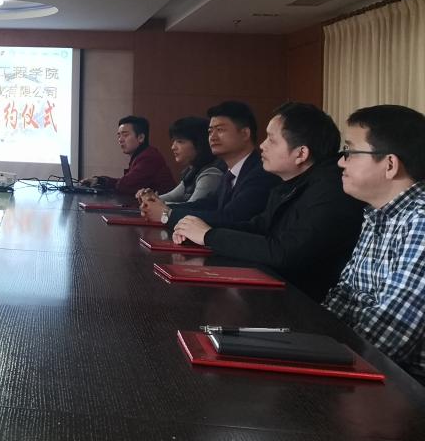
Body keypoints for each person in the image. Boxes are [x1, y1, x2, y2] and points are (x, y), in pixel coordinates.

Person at [172, 102, 364, 301]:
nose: (262, 145)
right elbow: (259, 227)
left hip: (307, 303)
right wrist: (198, 231)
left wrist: (209, 235)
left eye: (271, 140)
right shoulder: (291, 183)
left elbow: (285, 252)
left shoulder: (331, 189)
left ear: (301, 153)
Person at [324, 104, 425, 382]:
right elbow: (344, 298)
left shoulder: (420, 220)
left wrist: (321, 355)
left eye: (350, 152)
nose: (340, 162)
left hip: (410, 385)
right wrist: (309, 340)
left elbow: (391, 334)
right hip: (370, 367)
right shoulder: (377, 214)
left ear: (390, 164)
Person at [140, 101, 280, 227]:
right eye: (210, 131)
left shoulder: (262, 172)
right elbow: (208, 204)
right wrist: (162, 207)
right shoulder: (230, 172)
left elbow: (232, 218)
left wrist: (167, 215)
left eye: (220, 130)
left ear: (245, 134)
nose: (212, 137)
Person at [138, 116, 222, 205]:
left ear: (200, 144)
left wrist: (154, 203)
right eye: (174, 141)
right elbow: (173, 196)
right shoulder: (192, 171)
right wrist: (149, 197)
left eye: (180, 141)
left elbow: (191, 207)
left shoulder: (211, 174)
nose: (173, 147)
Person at [86, 116, 175, 196]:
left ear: (141, 138)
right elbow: (125, 182)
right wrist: (100, 180)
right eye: (119, 136)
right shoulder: (141, 155)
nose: (120, 140)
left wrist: (102, 182)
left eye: (125, 135)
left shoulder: (149, 157)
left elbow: (124, 185)